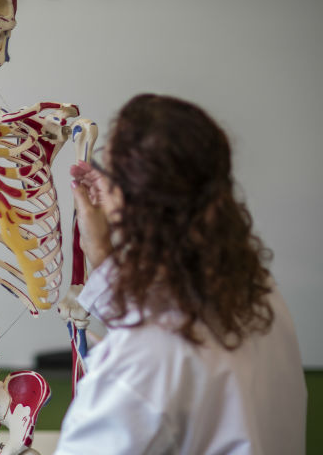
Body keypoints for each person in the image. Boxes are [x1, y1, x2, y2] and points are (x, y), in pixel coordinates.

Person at [55, 93, 306, 454]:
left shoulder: (138, 366)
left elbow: (155, 353)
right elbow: (164, 316)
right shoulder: (259, 293)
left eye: (104, 169)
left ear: (127, 202)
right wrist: (103, 255)